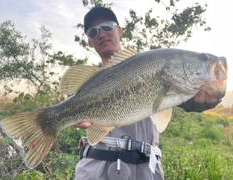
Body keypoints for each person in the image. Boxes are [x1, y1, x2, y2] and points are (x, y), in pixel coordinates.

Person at [74, 6, 221, 180]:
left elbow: (190, 99)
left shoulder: (153, 66)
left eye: (107, 26)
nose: (101, 33)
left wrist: (208, 97)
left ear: (119, 30)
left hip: (147, 170)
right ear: (89, 41)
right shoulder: (87, 86)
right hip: (95, 170)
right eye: (93, 32)